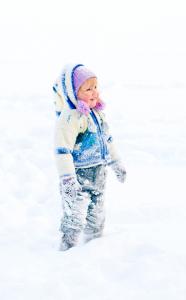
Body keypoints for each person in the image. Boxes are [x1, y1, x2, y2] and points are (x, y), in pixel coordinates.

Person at [52, 63, 126, 250]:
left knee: (97, 215)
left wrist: (116, 163)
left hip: (99, 173)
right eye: (88, 88)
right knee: (74, 216)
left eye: (95, 87)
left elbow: (107, 140)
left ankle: (93, 248)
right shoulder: (71, 118)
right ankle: (67, 249)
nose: (94, 92)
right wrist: (67, 179)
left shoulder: (96, 114)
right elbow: (63, 151)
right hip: (78, 176)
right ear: (73, 92)